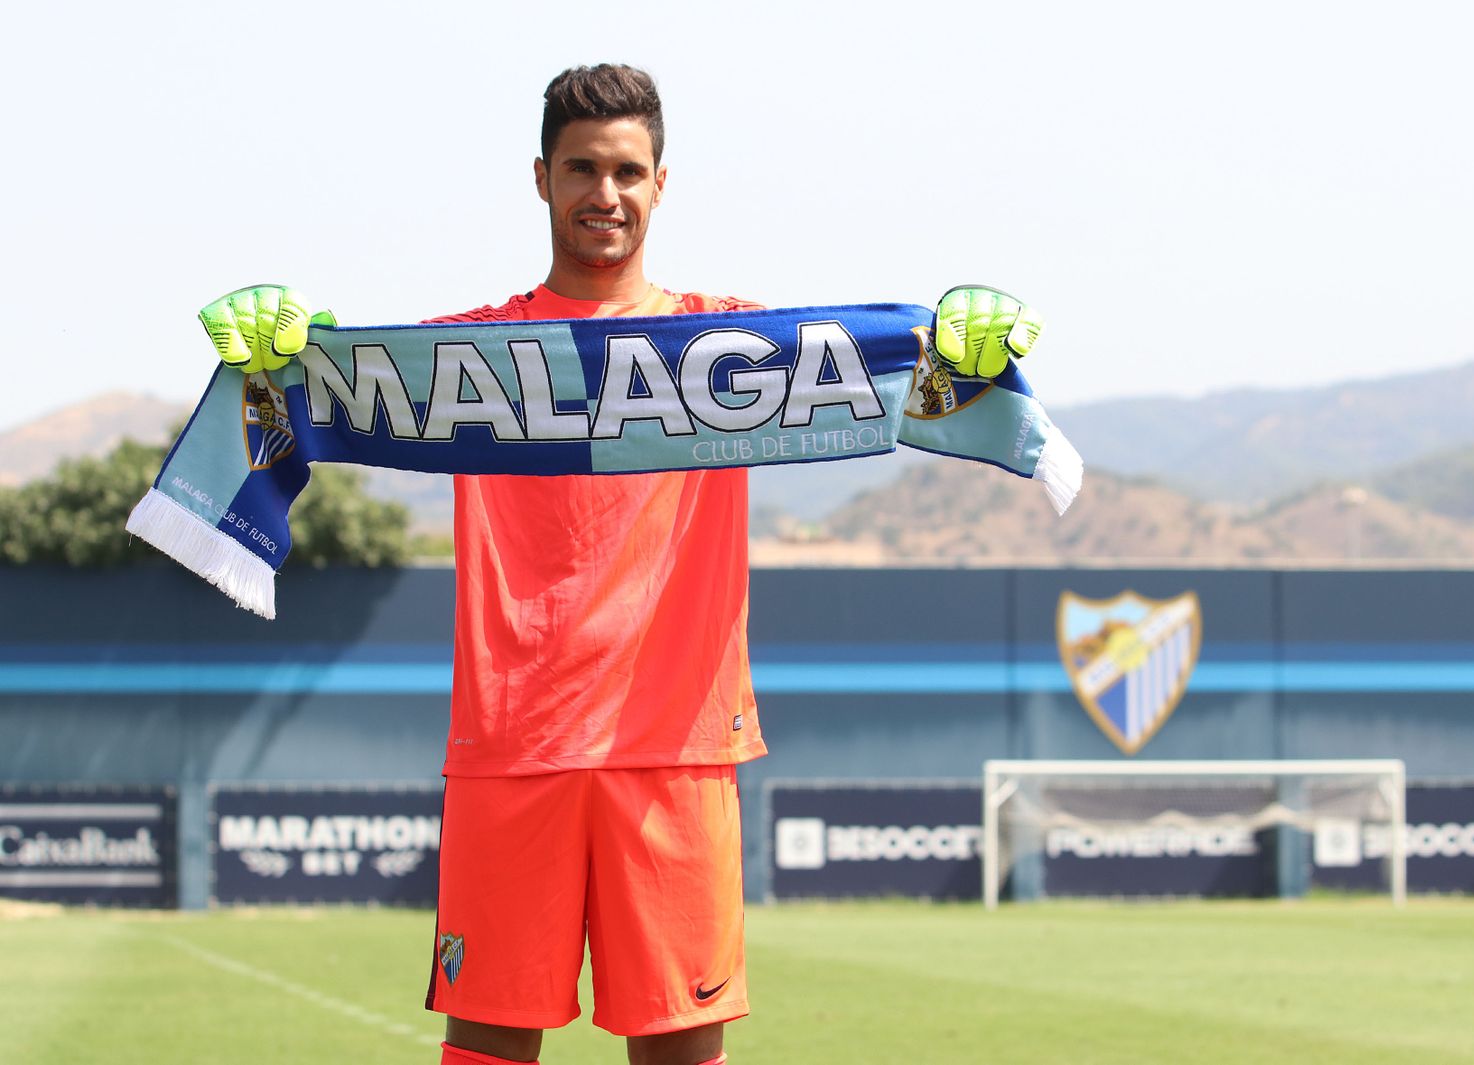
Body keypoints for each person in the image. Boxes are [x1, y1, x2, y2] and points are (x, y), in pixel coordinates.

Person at [197, 64, 1043, 1065]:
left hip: (674, 747)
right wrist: (270, 354)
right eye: (583, 169)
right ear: (542, 179)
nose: (606, 193)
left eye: (628, 171)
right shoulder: (470, 356)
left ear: (660, 183)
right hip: (514, 745)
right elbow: (322, 387)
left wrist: (965, 351)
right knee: (488, 1043)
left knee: (681, 1047)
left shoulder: (734, 349)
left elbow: (913, 396)